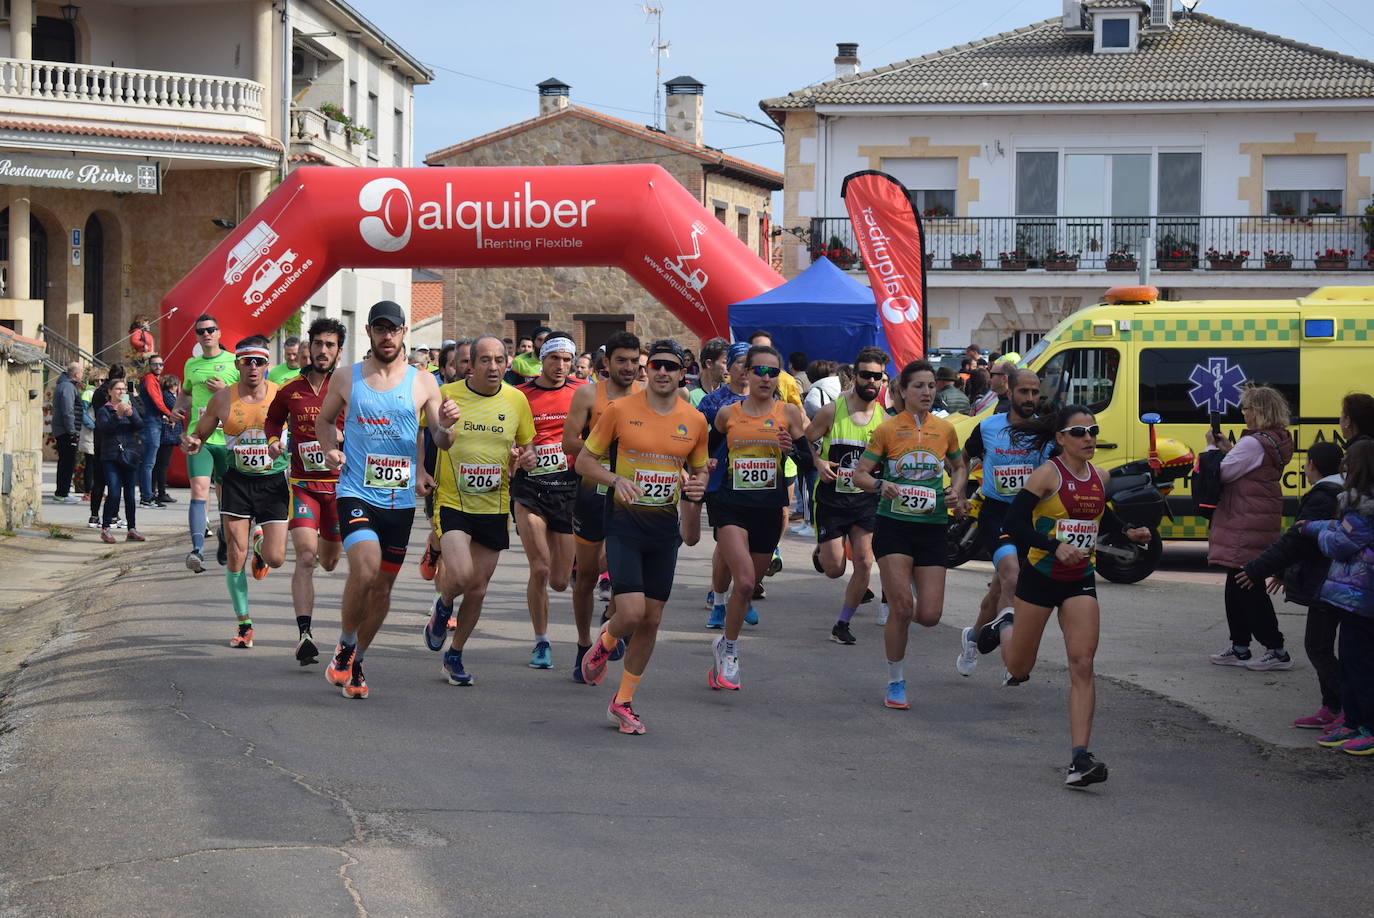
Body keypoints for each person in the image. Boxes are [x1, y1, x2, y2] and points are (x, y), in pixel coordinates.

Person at [979, 404, 1151, 787]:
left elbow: (1099, 515)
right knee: (1020, 668)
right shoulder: (1045, 475)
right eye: (1079, 432)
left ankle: (1080, 759)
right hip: (1039, 578)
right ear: (1060, 439)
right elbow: (1012, 525)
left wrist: (1128, 533)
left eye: (1093, 430)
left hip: (1079, 579)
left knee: (1083, 663)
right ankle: (1006, 622)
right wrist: (1052, 545)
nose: (1089, 437)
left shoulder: (1099, 476)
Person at [316, 300, 456, 699]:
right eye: (380, 329)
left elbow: (442, 440)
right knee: (365, 569)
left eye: (393, 329)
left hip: (399, 502)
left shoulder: (424, 382)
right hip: (356, 491)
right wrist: (329, 449)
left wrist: (447, 427)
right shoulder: (346, 378)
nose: (387, 336)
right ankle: (344, 644)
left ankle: (357, 660)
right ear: (369, 333)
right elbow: (324, 421)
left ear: (404, 332)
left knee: (383, 589)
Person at [577, 339, 709, 734]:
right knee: (631, 613)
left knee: (651, 620)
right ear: (645, 371)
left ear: (681, 373)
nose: (664, 372)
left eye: (671, 366)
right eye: (657, 366)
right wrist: (615, 478)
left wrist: (698, 489)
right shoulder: (619, 411)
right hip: (623, 524)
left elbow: (699, 471)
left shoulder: (695, 422)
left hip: (664, 530)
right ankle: (606, 640)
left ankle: (623, 701)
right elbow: (585, 460)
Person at [420, 334, 535, 687]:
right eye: (485, 360)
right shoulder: (449, 394)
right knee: (461, 574)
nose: (493, 366)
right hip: (453, 500)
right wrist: (429, 455)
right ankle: (442, 606)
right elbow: (431, 437)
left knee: (479, 589)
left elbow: (526, 448)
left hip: (494, 504)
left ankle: (454, 654)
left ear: (507, 363)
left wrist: (525, 459)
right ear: (471, 363)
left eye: (500, 360)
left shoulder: (517, 400)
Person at [852, 360, 968, 710]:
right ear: (902, 391)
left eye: (931, 386)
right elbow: (859, 474)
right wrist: (879, 483)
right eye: (918, 386)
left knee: (930, 616)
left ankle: (915, 604)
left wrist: (955, 491)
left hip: (932, 526)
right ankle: (896, 680)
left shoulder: (945, 430)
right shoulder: (887, 430)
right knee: (902, 608)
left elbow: (960, 466)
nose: (927, 392)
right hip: (894, 527)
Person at [708, 345, 807, 690]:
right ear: (746, 374)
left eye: (772, 371)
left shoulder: (790, 414)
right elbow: (707, 451)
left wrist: (793, 450)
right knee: (746, 581)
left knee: (749, 588)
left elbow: (806, 459)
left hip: (769, 508)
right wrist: (701, 473)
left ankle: (723, 642)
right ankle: (731, 650)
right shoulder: (727, 414)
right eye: (759, 371)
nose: (766, 378)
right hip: (732, 505)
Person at [183, 336, 291, 649]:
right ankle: (244, 623)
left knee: (277, 557)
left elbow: (306, 426)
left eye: (259, 361)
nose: (253, 367)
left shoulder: (280, 396)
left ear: (268, 365)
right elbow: (200, 433)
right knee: (234, 553)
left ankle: (261, 553)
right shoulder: (222, 400)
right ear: (237, 364)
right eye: (247, 361)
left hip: (272, 482)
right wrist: (193, 442)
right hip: (236, 481)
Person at [1239, 441, 1345, 728]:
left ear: (1311, 464)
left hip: (1328, 584)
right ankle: (1336, 706)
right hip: (1334, 582)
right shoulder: (1339, 491)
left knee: (1318, 646)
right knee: (1326, 646)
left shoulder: (1323, 496)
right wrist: (1285, 572)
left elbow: (1297, 541)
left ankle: (1340, 706)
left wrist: (1258, 568)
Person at [265, 318, 347, 666]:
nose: (323, 350)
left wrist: (344, 441)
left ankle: (263, 547)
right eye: (318, 344)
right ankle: (305, 635)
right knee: (306, 557)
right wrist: (272, 441)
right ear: (308, 348)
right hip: (302, 487)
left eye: (330, 345)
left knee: (329, 562)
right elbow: (272, 420)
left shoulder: (348, 388)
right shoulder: (289, 390)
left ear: (338, 351)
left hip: (339, 488)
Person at [956, 370, 1049, 676]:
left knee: (998, 592)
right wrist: (959, 492)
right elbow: (962, 458)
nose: (1030, 399)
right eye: (1024, 392)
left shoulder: (1046, 430)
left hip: (1031, 517)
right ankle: (1012, 659)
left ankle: (972, 636)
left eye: (1035, 393)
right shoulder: (988, 427)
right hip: (997, 514)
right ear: (1010, 392)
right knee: (1012, 577)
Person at [563, 331, 642, 680]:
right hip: (592, 494)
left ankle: (611, 621)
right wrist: (603, 455)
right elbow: (568, 440)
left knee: (622, 567)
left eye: (633, 361)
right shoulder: (587, 394)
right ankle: (583, 644)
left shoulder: (645, 395)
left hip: (631, 495)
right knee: (587, 577)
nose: (628, 367)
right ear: (606, 363)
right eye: (621, 360)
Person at [506, 332, 586, 668]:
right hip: (531, 489)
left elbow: (595, 436)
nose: (561, 366)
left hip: (567, 488)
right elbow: (506, 442)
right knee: (539, 568)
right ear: (543, 358)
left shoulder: (582, 393)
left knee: (558, 579)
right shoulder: (520, 394)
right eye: (555, 358)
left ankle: (578, 570)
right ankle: (541, 641)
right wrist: (517, 456)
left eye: (567, 360)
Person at [1206, 386, 1296, 669]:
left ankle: (1276, 649)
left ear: (1259, 411)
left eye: (1247, 408)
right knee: (1237, 583)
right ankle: (1240, 646)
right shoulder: (1276, 439)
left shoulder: (1253, 443)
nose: (1244, 413)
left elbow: (1220, 472)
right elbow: (1250, 466)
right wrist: (1229, 450)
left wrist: (1211, 448)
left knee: (1247, 585)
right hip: (1258, 517)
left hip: (1244, 520)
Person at [805, 346, 888, 645]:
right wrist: (818, 461)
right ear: (854, 376)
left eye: (877, 377)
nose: (871, 382)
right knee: (833, 569)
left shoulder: (885, 421)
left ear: (883, 381)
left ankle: (842, 623)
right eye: (866, 375)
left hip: (865, 503)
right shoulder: (833, 410)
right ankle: (824, 549)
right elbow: (806, 440)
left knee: (865, 562)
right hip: (831, 500)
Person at [1304, 440, 1374, 756]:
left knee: (1360, 666)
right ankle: (1353, 722)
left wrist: (1314, 532)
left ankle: (1368, 728)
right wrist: (1317, 526)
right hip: (1352, 600)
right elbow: (1337, 528)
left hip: (1362, 601)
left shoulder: (1365, 510)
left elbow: (1338, 542)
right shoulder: (1357, 507)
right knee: (1348, 663)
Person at [172, 315, 239, 573]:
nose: (206, 334)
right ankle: (197, 550)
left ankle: (224, 536)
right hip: (198, 438)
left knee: (224, 497)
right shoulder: (192, 364)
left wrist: (226, 388)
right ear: (197, 336)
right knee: (199, 491)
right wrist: (177, 409)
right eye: (201, 331)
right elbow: (186, 393)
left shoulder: (233, 361)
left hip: (227, 438)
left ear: (219, 333)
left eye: (211, 329)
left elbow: (246, 395)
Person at [699, 342, 751, 627]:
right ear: (728, 367)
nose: (745, 370)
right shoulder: (713, 401)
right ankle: (720, 603)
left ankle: (745, 596)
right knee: (727, 542)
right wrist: (702, 462)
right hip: (721, 482)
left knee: (752, 545)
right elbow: (695, 434)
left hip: (757, 484)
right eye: (740, 363)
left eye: (750, 364)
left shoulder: (768, 398)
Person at [95, 378, 145, 543]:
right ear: (110, 392)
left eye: (123, 389)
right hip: (111, 456)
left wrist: (130, 414)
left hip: (129, 455)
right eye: (117, 389)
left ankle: (132, 528)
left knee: (130, 495)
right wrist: (117, 415)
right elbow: (104, 429)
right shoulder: (104, 410)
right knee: (114, 493)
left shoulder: (130, 407)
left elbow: (140, 425)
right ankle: (106, 528)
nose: (121, 392)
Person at [137, 355, 173, 508]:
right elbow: (156, 401)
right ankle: (147, 497)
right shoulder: (150, 379)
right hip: (151, 424)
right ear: (149, 365)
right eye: (155, 364)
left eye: (161, 364)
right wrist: (169, 414)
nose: (158, 366)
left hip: (154, 421)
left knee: (148, 462)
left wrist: (164, 416)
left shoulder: (152, 379)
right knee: (148, 462)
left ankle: (148, 495)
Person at [51, 361, 84, 502]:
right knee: (67, 462)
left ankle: (62, 492)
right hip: (66, 431)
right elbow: (68, 410)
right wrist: (72, 431)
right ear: (76, 374)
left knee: (66, 462)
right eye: (81, 372)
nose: (82, 375)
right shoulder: (68, 387)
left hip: (63, 430)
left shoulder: (65, 385)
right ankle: (62, 493)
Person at [154, 374, 181, 505]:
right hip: (167, 435)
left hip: (167, 435)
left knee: (160, 464)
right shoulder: (169, 397)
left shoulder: (164, 396)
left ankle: (156, 490)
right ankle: (160, 491)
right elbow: (178, 410)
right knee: (162, 465)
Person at [688, 337, 728, 407]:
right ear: (709, 364)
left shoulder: (729, 393)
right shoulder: (688, 393)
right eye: (725, 362)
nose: (730, 367)